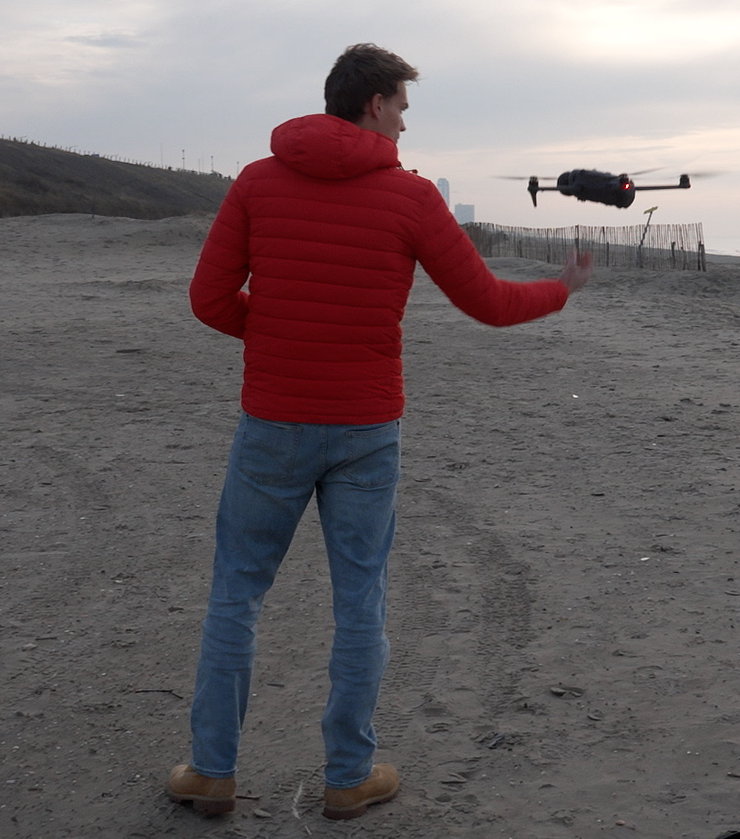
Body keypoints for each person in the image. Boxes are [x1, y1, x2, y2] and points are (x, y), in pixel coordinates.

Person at [170, 43, 593, 820]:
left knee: (238, 591)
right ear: (373, 104)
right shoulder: (411, 197)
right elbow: (488, 305)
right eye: (401, 106)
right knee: (359, 596)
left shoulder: (258, 183)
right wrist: (560, 290)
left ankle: (211, 770)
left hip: (273, 420)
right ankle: (348, 776)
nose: (404, 122)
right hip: (365, 426)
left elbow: (208, 298)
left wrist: (277, 339)